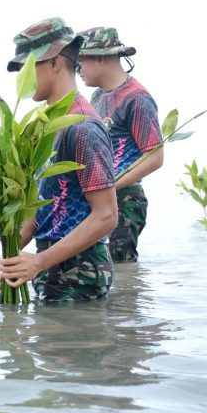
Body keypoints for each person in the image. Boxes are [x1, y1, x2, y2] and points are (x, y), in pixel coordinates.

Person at [0, 17, 118, 301]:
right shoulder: (44, 126)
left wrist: (39, 262)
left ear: (54, 62)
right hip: (49, 266)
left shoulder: (82, 126)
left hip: (81, 272)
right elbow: (42, 209)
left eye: (28, 67)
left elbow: (106, 215)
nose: (21, 78)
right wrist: (9, 257)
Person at [77, 27, 163, 263]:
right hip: (100, 199)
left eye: (80, 61)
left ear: (101, 57)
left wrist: (110, 187)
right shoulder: (98, 97)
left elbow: (155, 156)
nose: (77, 70)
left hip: (124, 200)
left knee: (122, 271)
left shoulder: (136, 98)